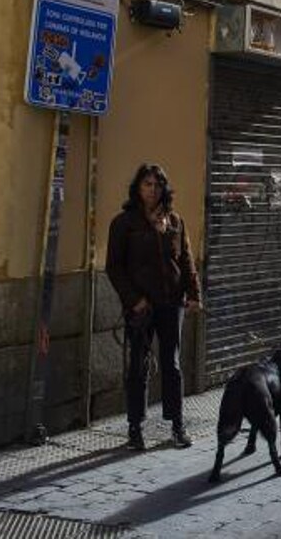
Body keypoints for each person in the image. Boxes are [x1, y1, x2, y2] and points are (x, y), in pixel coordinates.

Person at [107, 163, 202, 450]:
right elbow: (114, 267)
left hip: (172, 303)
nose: (152, 189)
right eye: (147, 184)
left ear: (164, 189)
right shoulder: (124, 223)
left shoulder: (175, 221)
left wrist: (194, 294)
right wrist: (134, 300)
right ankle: (135, 428)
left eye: (157, 185)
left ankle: (177, 425)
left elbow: (185, 261)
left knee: (172, 365)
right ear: (137, 188)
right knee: (138, 365)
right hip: (141, 307)